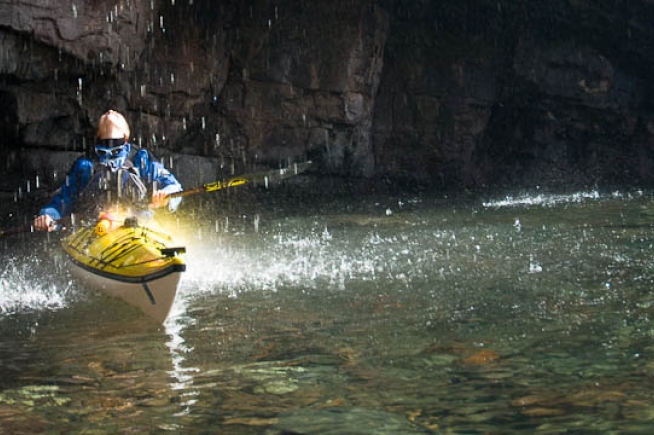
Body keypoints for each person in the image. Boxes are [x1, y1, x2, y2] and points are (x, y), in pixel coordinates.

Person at [33, 110, 183, 231]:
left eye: (118, 115)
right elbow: (62, 200)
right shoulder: (85, 164)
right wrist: (48, 216)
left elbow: (174, 186)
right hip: (93, 226)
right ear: (97, 137)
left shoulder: (140, 158)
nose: (110, 112)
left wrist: (167, 194)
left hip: (137, 224)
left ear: (126, 136)